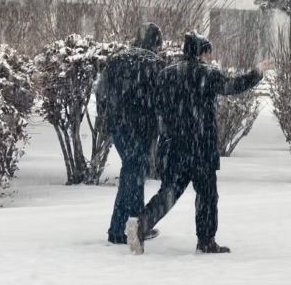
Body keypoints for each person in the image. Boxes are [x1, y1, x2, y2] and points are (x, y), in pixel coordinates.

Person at [125, 31, 264, 255]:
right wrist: (256, 73)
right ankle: (206, 241)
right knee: (207, 195)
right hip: (201, 146)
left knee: (169, 192)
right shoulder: (207, 74)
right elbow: (232, 86)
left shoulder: (166, 74)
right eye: (208, 52)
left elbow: (155, 106)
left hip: (172, 146)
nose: (210, 57)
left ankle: (142, 223)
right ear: (201, 52)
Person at [97, 22, 166, 244]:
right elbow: (161, 101)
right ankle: (122, 229)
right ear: (156, 43)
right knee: (133, 173)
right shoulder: (155, 64)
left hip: (118, 126)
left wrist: (107, 118)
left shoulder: (117, 59)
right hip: (142, 128)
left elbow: (101, 92)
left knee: (133, 172)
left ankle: (135, 225)